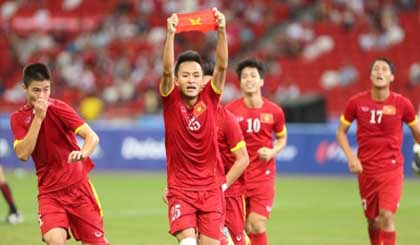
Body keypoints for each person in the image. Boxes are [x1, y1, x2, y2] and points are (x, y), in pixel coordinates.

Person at [10, 63, 109, 245]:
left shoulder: (59, 108)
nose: (42, 96)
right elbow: (23, 154)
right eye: (36, 90)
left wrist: (83, 152)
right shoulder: (18, 118)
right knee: (54, 241)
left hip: (78, 189)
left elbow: (92, 137)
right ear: (24, 88)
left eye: (46, 90)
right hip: (50, 194)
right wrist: (38, 118)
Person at [160, 8, 228, 245]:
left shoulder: (211, 97)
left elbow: (221, 66)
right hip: (181, 190)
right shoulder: (171, 100)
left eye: (195, 75)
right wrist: (170, 35)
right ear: (177, 81)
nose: (191, 80)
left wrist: (221, 31)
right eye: (186, 75)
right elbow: (167, 69)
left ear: (202, 81)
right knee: (188, 243)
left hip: (210, 190)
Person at [336, 57, 420, 245]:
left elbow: (417, 133)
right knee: (373, 221)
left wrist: (418, 149)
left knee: (387, 216)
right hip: (366, 170)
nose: (379, 72)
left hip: (391, 169)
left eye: (384, 69)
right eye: (376, 69)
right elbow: (341, 132)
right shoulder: (356, 102)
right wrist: (351, 157)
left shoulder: (402, 104)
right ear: (370, 75)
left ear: (392, 77)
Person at [226, 57, 287, 245]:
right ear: (240, 82)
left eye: (253, 75)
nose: (249, 79)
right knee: (242, 229)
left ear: (261, 81)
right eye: (244, 76)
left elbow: (282, 138)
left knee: (257, 225)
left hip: (263, 177)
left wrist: (272, 151)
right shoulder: (230, 111)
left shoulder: (275, 111)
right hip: (239, 177)